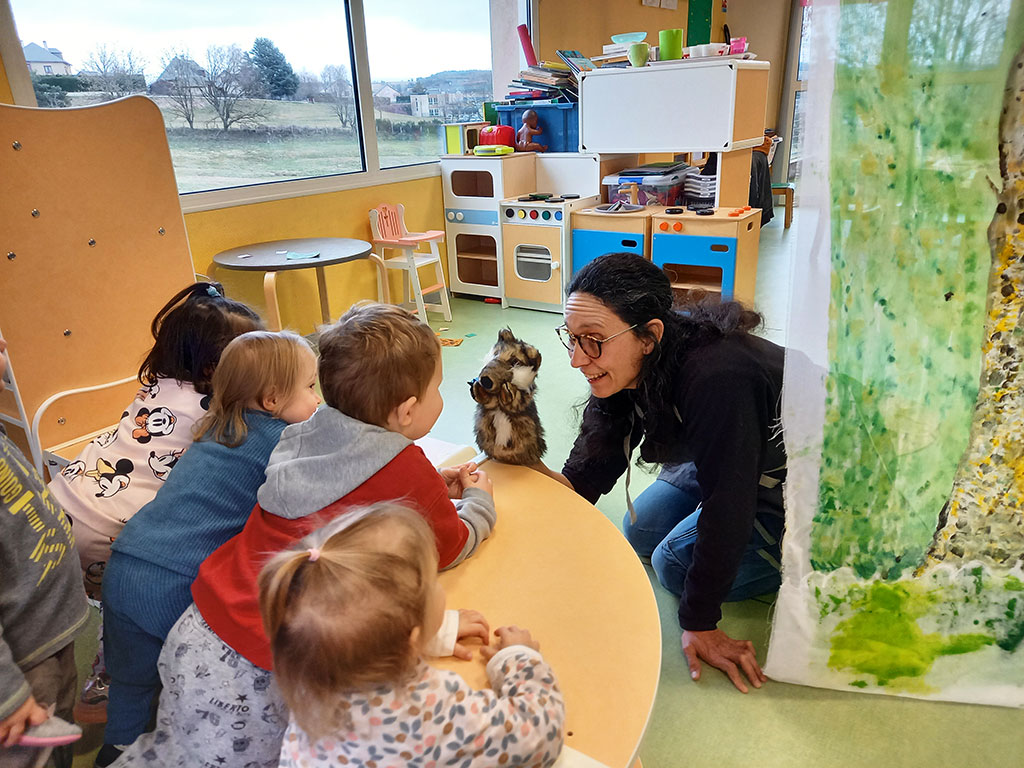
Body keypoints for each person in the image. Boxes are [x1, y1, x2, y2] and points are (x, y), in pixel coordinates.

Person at [112, 302, 496, 767]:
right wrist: (479, 503)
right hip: (265, 660)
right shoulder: (404, 464)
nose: (441, 396)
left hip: (199, 626)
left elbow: (353, 489)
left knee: (182, 753)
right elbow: (451, 545)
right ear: (408, 410)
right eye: (437, 387)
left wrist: (432, 485)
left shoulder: (299, 432)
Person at [534, 252, 785, 693]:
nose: (577, 359)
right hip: (731, 449)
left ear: (649, 336)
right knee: (642, 528)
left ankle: (803, 555)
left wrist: (700, 622)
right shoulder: (636, 352)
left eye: (592, 340)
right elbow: (587, 474)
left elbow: (729, 503)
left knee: (672, 564)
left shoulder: (718, 377)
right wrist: (519, 464)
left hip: (800, 479)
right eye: (571, 338)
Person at [95, 331, 320, 767]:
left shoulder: (215, 426)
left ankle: (116, 748)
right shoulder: (281, 441)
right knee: (193, 682)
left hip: (124, 564)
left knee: (131, 679)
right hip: (178, 579)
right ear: (272, 400)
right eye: (310, 388)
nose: (317, 400)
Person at [46, 281, 262, 724]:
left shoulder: (156, 388)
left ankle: (83, 686)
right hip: (111, 534)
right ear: (215, 367)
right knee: (134, 601)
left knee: (96, 607)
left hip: (59, 507)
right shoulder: (218, 409)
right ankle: (113, 682)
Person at [261, 503, 565, 768]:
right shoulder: (430, 708)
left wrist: (436, 633)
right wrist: (520, 659)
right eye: (433, 580)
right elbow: (540, 736)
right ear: (410, 638)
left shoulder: (310, 672)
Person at [0, 335, 90, 768]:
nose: (3, 339)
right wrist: (7, 698)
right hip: (21, 667)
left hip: (46, 635)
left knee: (60, 734)